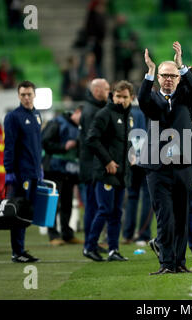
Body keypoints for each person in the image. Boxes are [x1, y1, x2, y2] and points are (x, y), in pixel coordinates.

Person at [139, 42, 192, 275]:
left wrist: (181, 63)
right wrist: (150, 71)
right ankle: (166, 263)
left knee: (183, 217)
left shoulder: (186, 98)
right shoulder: (152, 100)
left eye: (173, 75)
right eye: (165, 75)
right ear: (159, 78)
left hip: (183, 166)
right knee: (165, 218)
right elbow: (142, 98)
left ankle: (180, 263)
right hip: (157, 167)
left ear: (179, 78)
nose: (169, 79)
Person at [83, 80, 134, 262]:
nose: (120, 100)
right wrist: (108, 161)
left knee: (116, 213)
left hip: (121, 173)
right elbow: (92, 139)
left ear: (131, 98)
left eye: (124, 97)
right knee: (104, 210)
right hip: (106, 172)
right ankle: (89, 247)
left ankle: (113, 250)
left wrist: (131, 156)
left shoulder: (129, 116)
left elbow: (124, 141)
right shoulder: (105, 114)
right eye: (117, 96)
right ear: (112, 96)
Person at [3, 80, 42, 263]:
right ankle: (16, 252)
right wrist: (9, 170)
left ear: (34, 95)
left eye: (29, 94)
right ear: (19, 96)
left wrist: (39, 167)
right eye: (23, 95)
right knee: (19, 212)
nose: (26, 98)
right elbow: (9, 146)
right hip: (20, 174)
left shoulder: (37, 115)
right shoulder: (13, 117)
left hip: (34, 172)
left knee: (27, 212)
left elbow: (36, 146)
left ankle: (20, 249)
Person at [42, 106, 84, 246]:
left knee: (67, 202)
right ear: (77, 111)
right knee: (53, 202)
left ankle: (67, 233)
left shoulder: (79, 128)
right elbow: (45, 142)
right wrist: (63, 146)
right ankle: (53, 234)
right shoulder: (57, 122)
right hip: (54, 168)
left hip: (70, 170)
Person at [79, 78, 110, 248]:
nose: (109, 92)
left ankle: (91, 241)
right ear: (96, 91)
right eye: (106, 89)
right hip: (91, 166)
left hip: (91, 164)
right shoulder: (92, 112)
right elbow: (93, 141)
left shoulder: (93, 108)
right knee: (92, 206)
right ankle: (89, 243)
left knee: (94, 205)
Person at [121, 100, 153, 246]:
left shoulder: (129, 111)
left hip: (131, 160)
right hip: (146, 160)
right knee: (147, 197)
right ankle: (143, 235)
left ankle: (128, 234)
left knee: (132, 196)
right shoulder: (146, 110)